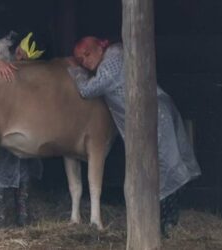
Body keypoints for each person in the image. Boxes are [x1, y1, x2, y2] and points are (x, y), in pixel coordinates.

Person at [67, 36, 201, 236]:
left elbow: (88, 90)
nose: (85, 62)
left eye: (87, 54)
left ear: (100, 46)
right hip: (155, 112)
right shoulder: (116, 53)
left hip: (153, 117)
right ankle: (167, 223)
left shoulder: (112, 62)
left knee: (161, 169)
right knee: (164, 167)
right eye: (80, 60)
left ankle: (161, 226)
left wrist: (75, 72)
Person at [0, 30, 46, 228]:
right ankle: (1, 222)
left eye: (25, 58)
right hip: (0, 114)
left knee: (25, 165)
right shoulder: (4, 46)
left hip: (23, 116)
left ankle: (23, 218)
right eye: (20, 53)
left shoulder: (36, 66)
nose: (19, 58)